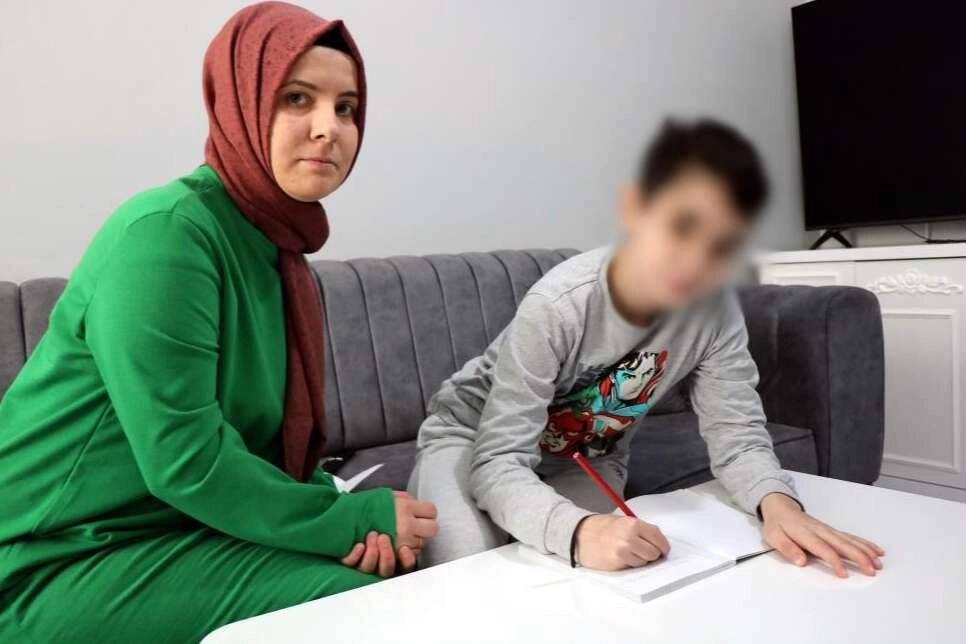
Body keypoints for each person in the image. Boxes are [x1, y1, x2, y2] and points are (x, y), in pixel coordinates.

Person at [0, 3, 437, 642]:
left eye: (346, 108)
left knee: (401, 576)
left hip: (174, 529)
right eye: (297, 98)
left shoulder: (278, 253)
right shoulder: (166, 235)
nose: (329, 129)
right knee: (361, 608)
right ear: (239, 103)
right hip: (49, 555)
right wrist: (346, 520)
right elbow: (186, 460)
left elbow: (259, 449)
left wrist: (346, 515)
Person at [408, 118, 885, 576]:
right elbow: (499, 461)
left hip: (586, 458)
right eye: (682, 226)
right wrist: (576, 532)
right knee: (468, 560)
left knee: (591, 574)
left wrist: (779, 506)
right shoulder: (558, 306)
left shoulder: (716, 315)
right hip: (474, 439)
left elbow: (737, 435)